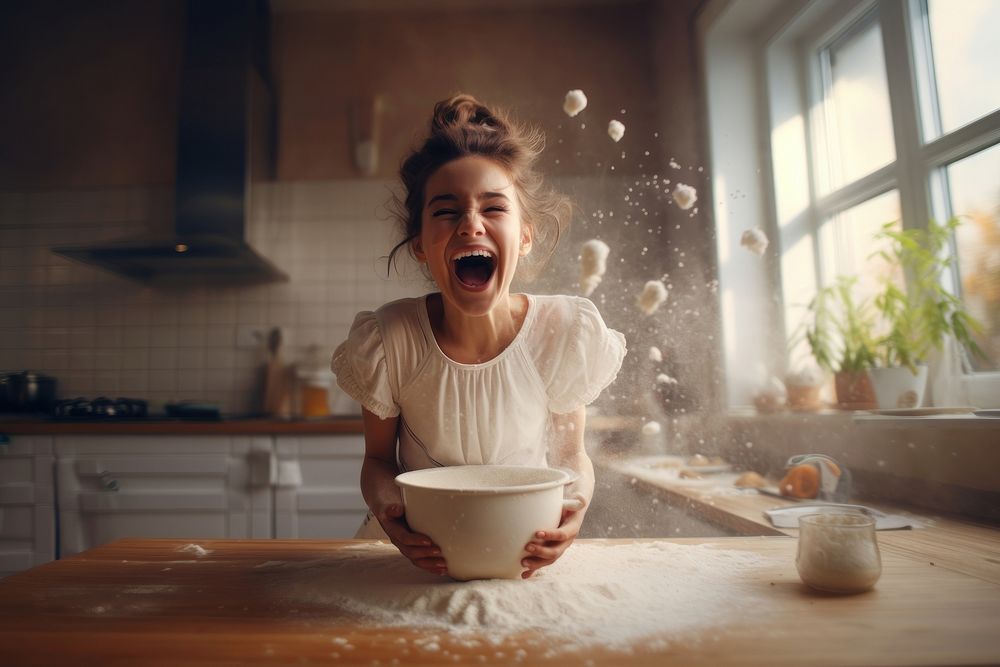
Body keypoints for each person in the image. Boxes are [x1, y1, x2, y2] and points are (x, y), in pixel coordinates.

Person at [332, 93, 626, 579]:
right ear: (422, 245)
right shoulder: (390, 339)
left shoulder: (563, 333)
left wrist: (573, 508)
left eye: (493, 208)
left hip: (521, 555)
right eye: (446, 212)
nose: (471, 224)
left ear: (525, 235)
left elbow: (571, 453)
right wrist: (392, 514)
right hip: (413, 560)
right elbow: (378, 461)